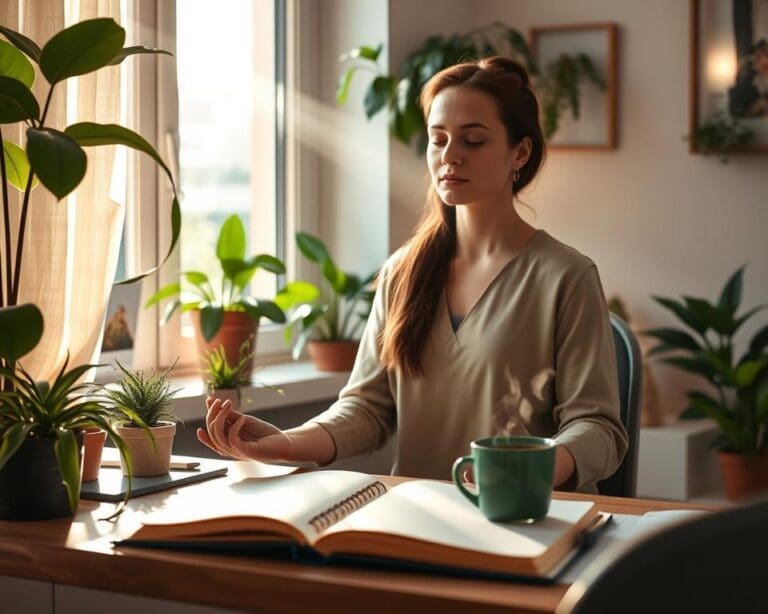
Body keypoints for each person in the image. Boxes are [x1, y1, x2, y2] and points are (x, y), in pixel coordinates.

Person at [198, 56, 628, 493]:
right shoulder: (402, 272)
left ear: (520, 152)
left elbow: (597, 429)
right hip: (418, 523)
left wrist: (532, 469)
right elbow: (367, 410)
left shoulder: (566, 277)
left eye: (473, 140)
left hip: (529, 523)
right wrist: (285, 444)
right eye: (437, 140)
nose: (450, 157)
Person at [729, 38, 768, 118]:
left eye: (767, 54)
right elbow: (736, 115)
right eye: (759, 56)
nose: (765, 60)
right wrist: (755, 108)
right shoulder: (742, 88)